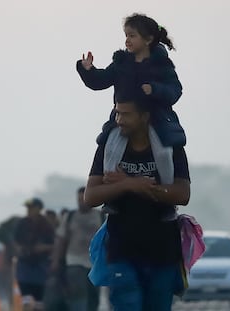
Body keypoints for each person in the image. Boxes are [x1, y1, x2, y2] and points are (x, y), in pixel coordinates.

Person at [84, 87, 191, 311]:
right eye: (117, 113)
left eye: (126, 114)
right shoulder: (109, 147)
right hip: (121, 249)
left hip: (162, 251)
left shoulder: (170, 146)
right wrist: (130, 184)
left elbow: (182, 194)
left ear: (145, 116)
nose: (119, 120)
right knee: (127, 303)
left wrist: (138, 186)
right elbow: (91, 196)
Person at [77, 13, 185, 147]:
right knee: (106, 146)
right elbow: (101, 81)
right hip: (122, 118)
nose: (127, 40)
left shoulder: (161, 64)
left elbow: (175, 90)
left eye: (132, 36)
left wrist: (154, 89)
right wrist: (88, 70)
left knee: (166, 150)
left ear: (148, 39)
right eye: (126, 35)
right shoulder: (121, 63)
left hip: (156, 118)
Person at [51, 187, 103, 311]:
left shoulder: (100, 216)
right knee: (78, 296)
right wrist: (56, 261)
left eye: (83, 199)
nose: (81, 202)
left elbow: (107, 238)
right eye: (78, 199)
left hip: (95, 263)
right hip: (74, 261)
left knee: (93, 297)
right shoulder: (70, 216)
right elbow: (61, 239)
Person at [14, 198, 55, 311]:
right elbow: (16, 241)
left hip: (40, 266)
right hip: (24, 265)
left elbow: (54, 244)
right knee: (26, 298)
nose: (29, 210)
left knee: (38, 300)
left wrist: (42, 248)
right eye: (28, 208)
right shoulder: (22, 223)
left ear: (38, 209)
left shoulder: (46, 225)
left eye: (31, 208)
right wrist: (21, 249)